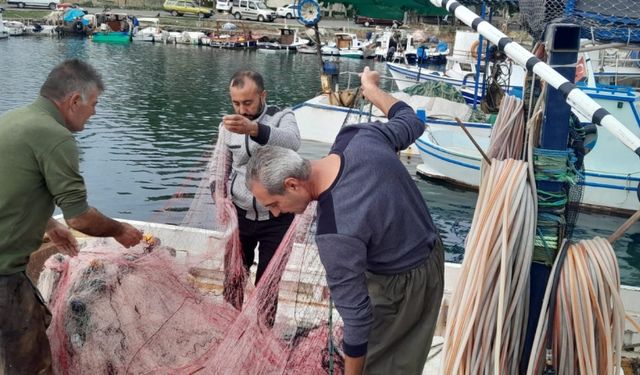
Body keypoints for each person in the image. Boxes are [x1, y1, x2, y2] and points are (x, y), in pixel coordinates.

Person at [245, 67, 444, 374]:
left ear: (292, 184)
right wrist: (371, 88)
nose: (275, 213)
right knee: (409, 355)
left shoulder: (333, 232)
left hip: (398, 288)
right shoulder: (359, 137)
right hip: (432, 258)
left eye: (274, 204)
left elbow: (358, 320)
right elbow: (411, 122)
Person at [0, 59, 143, 374]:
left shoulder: (11, 121)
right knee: (30, 366)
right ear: (74, 101)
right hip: (4, 275)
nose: (94, 112)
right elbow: (79, 219)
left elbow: (12, 189)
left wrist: (49, 224)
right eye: (93, 104)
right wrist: (119, 230)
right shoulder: (55, 136)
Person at [214, 70, 300, 288]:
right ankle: (231, 321)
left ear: (263, 96)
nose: (242, 110)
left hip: (277, 217)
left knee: (267, 284)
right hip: (241, 216)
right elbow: (220, 167)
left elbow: (293, 142)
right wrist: (219, 197)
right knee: (233, 278)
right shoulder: (227, 127)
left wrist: (255, 129)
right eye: (236, 103)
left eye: (248, 103)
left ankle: (263, 324)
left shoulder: (282, 117)